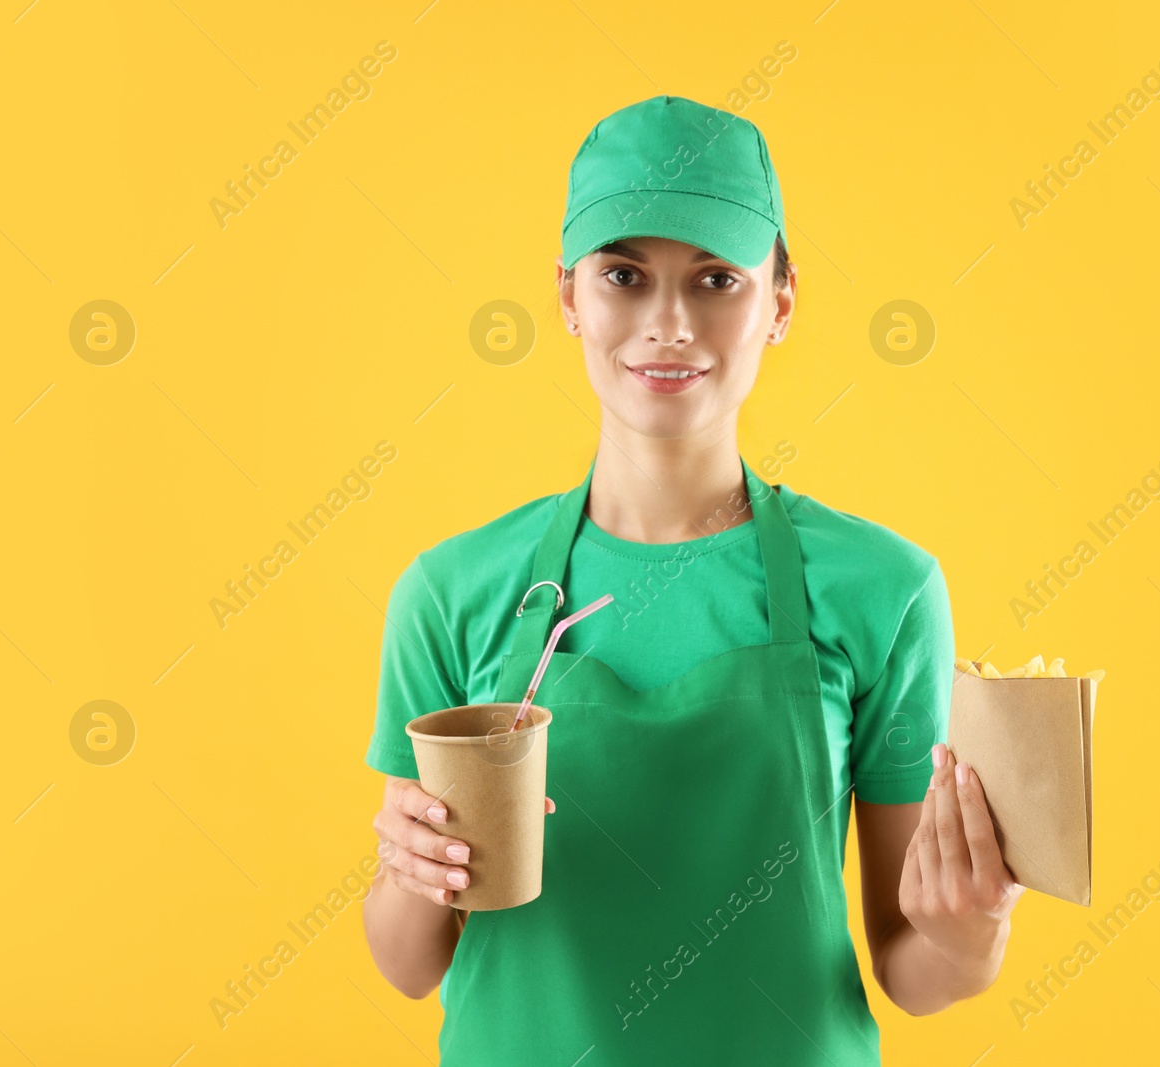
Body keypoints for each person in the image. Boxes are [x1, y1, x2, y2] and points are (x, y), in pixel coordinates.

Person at [361, 94, 1022, 1064]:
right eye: (624, 274)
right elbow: (410, 962)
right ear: (567, 296)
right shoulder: (451, 590)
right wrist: (411, 872)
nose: (668, 323)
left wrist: (972, 938)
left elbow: (908, 965)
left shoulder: (884, 588)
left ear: (781, 301)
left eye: (715, 278)